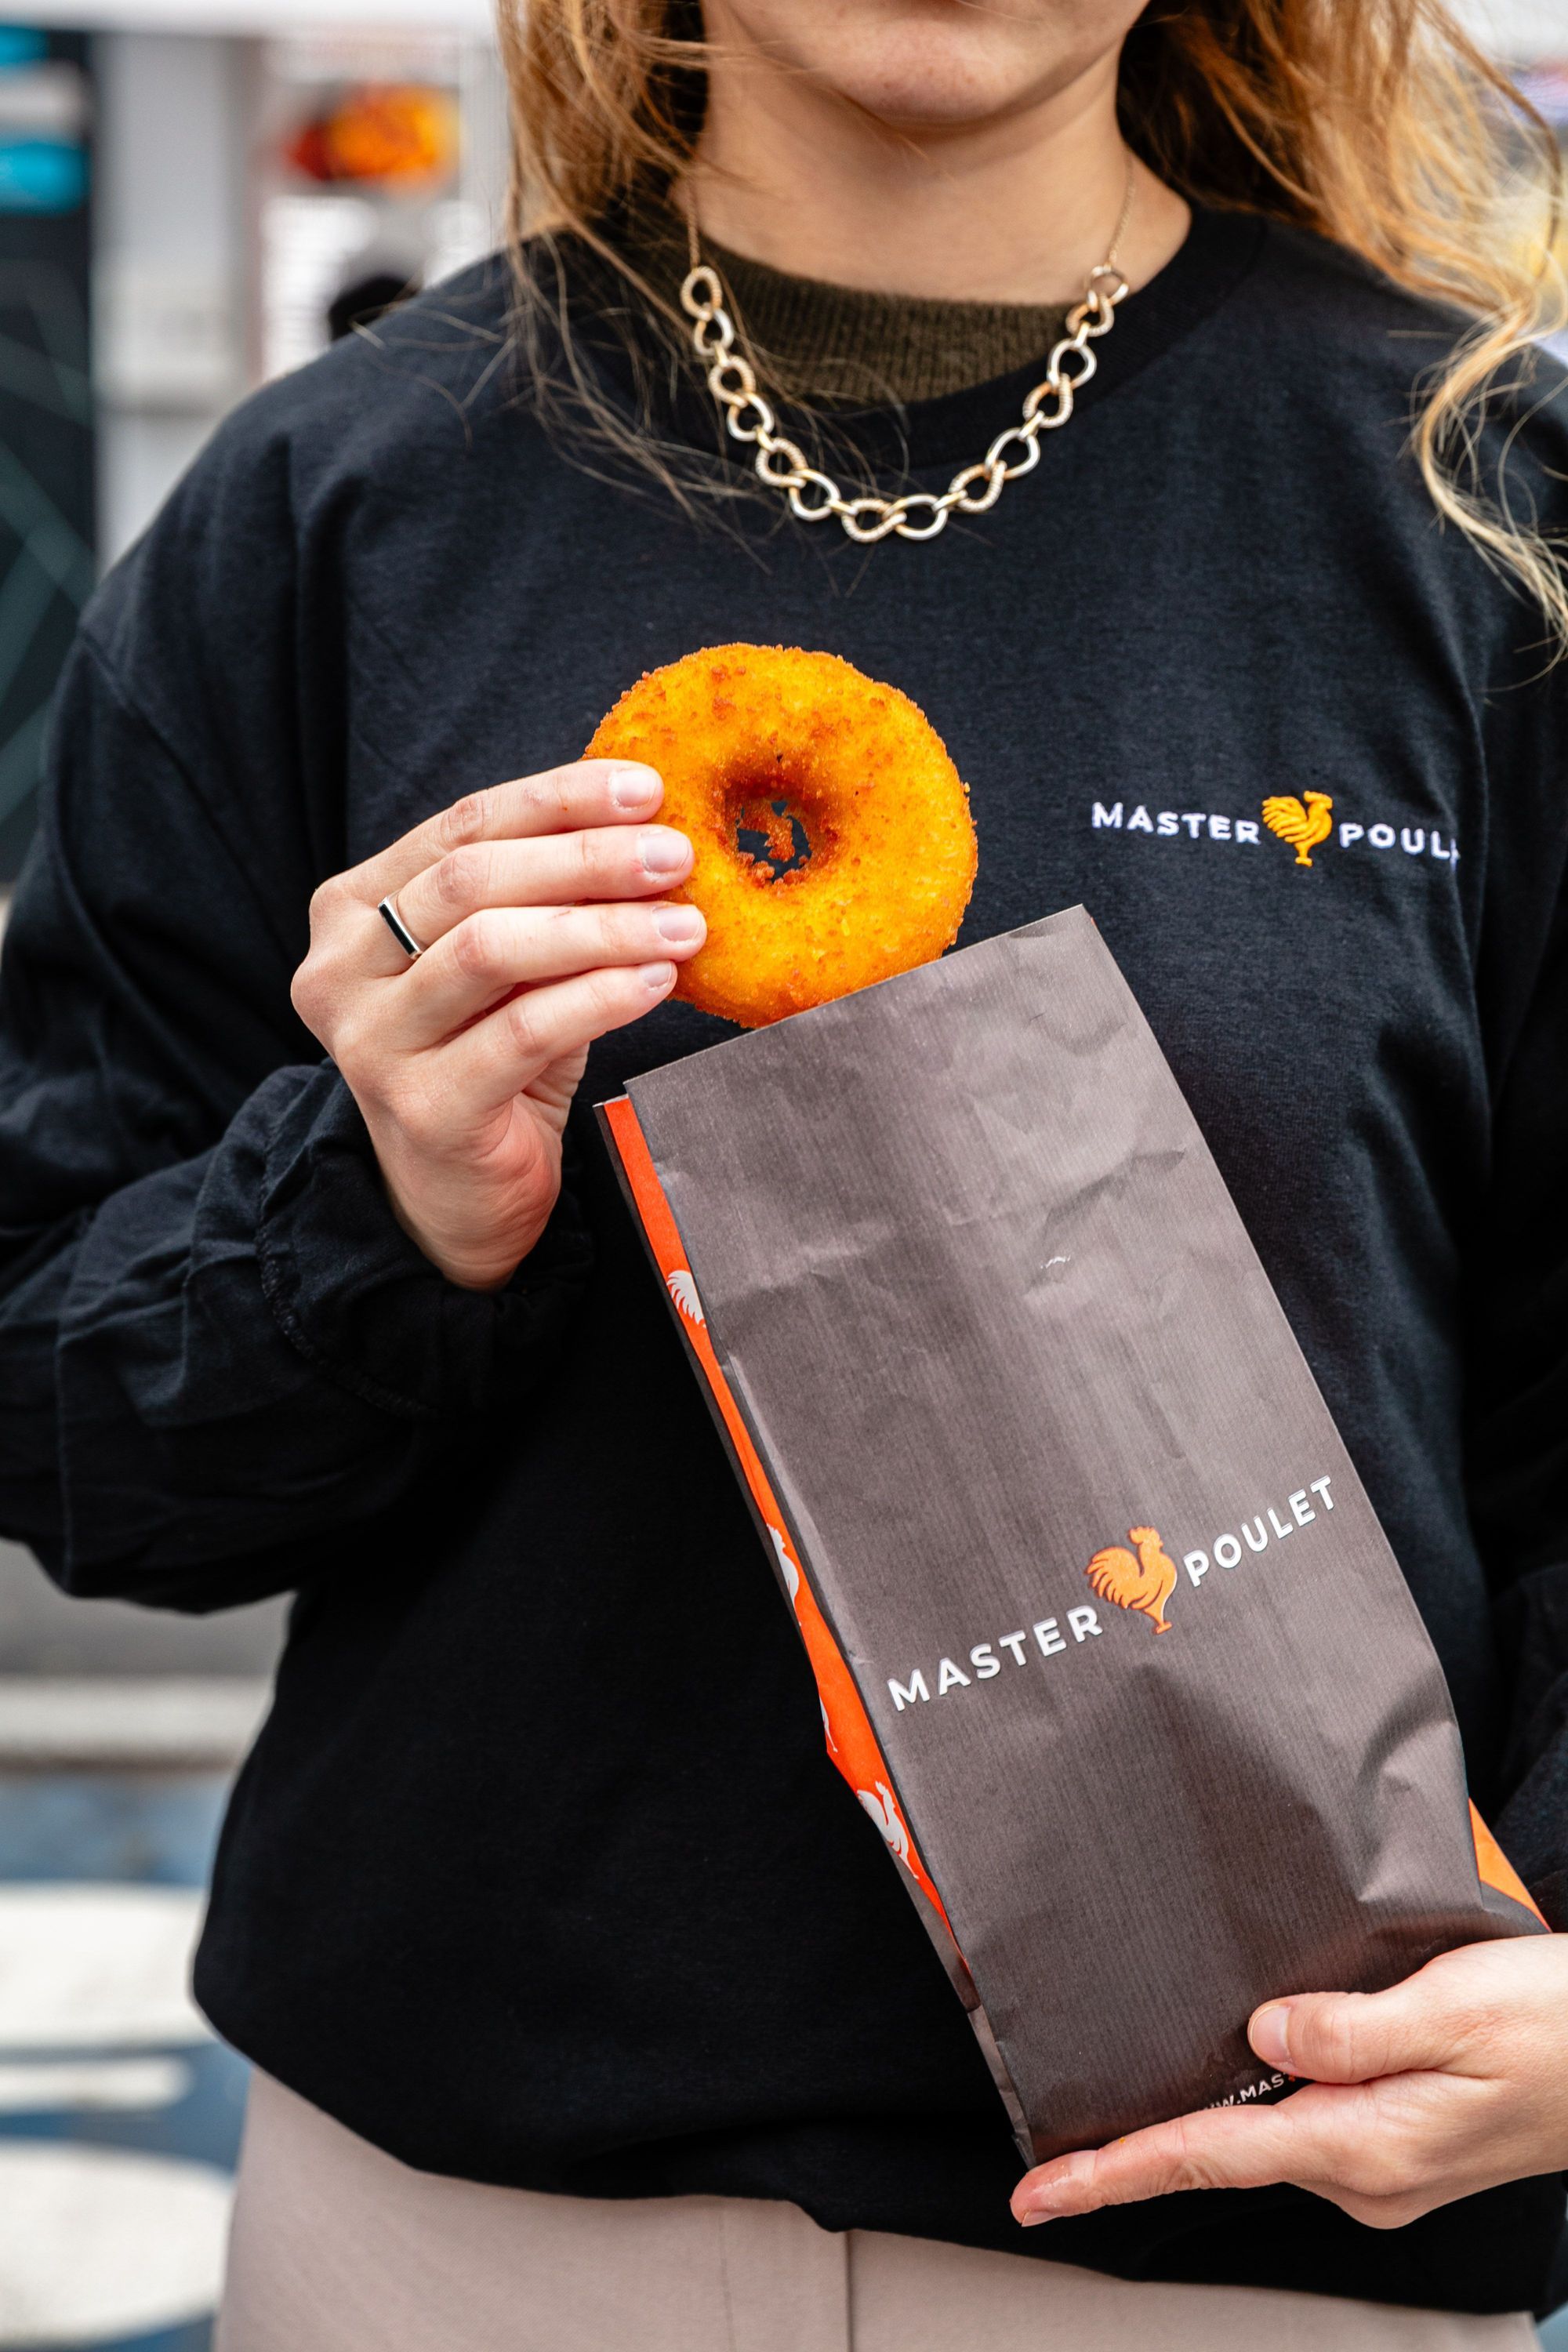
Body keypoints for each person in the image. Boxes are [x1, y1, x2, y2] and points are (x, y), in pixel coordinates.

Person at [2, 2, 1566, 2345]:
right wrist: (377, 1206)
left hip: (1276, 2220)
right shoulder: (343, 508)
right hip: (466, 2233)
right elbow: (71, 1426)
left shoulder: (1478, 512)